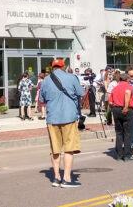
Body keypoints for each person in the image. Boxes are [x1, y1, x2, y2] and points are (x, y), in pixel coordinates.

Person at [39, 58, 84, 187]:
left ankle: (56, 177)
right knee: (69, 149)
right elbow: (81, 92)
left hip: (52, 117)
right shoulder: (71, 77)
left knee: (55, 149)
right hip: (69, 116)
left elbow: (42, 99)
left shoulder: (46, 80)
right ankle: (67, 178)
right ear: (63, 66)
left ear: (53, 67)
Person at [109, 68, 133, 162]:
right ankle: (127, 155)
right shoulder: (128, 86)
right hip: (127, 109)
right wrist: (125, 107)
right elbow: (127, 93)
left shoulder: (115, 88)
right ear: (127, 79)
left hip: (116, 109)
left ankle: (119, 154)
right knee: (128, 133)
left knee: (119, 132)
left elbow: (110, 101)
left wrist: (114, 110)